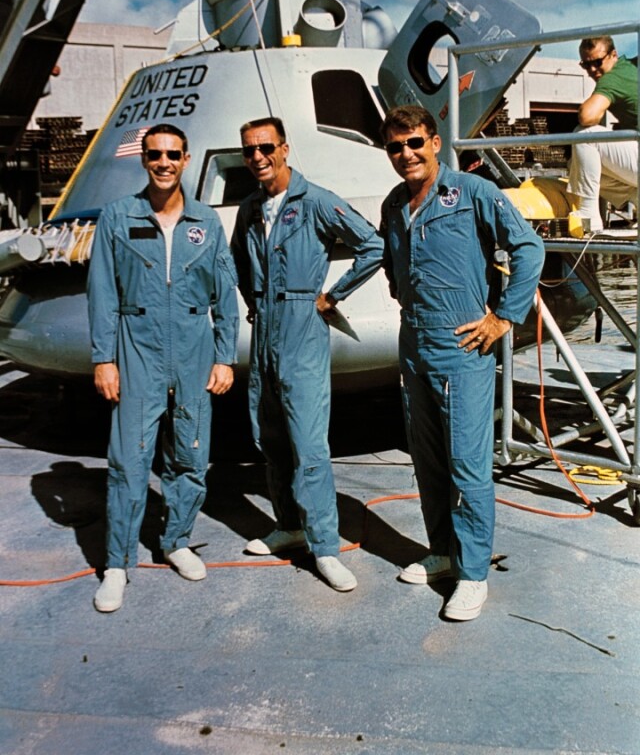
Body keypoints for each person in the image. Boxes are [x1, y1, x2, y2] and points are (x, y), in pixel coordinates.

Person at [380, 106, 545, 621]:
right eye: (395, 147)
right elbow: (393, 263)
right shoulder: (393, 204)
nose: (406, 154)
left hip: (463, 346)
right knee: (427, 459)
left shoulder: (472, 193)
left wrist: (502, 318)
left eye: (414, 143)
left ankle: (473, 574)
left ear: (434, 142)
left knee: (468, 465)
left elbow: (529, 247)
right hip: (415, 344)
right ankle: (443, 554)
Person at [88, 124, 239, 612]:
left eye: (173, 154)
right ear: (144, 159)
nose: (164, 163)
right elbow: (103, 295)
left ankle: (176, 541)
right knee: (129, 460)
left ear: (186, 158)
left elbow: (225, 294)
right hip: (137, 348)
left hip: (194, 351)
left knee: (191, 456)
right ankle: (117, 563)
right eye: (155, 155)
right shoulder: (118, 216)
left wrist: (224, 356)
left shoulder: (206, 223)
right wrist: (104, 360)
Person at [230, 116, 384, 592]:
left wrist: (332, 296)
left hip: (303, 327)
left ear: (284, 148)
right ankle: (289, 526)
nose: (258, 157)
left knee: (309, 445)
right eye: (250, 150)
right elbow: (239, 257)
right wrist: (255, 301)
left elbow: (372, 245)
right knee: (270, 435)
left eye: (266, 147)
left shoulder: (314, 200)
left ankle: (325, 547)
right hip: (265, 330)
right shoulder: (250, 208)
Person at [567, 36, 638, 231]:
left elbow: (587, 116)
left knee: (584, 136)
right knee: (578, 165)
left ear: (613, 55)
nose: (592, 70)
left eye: (597, 62)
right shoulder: (630, 68)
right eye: (585, 65)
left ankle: (588, 214)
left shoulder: (613, 77)